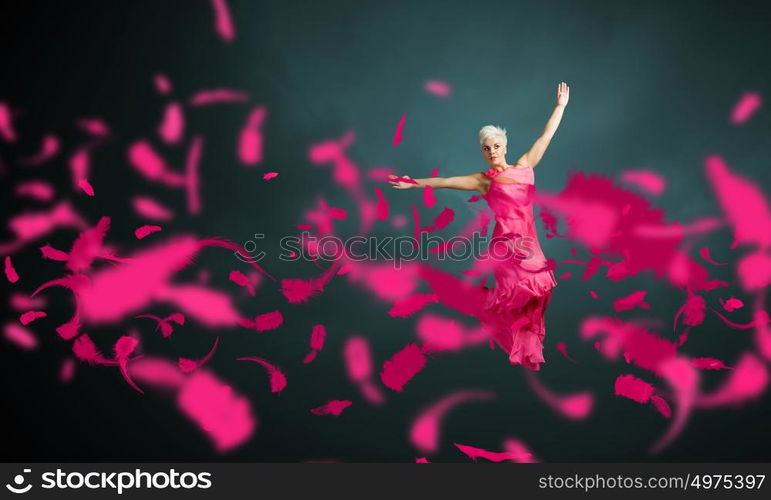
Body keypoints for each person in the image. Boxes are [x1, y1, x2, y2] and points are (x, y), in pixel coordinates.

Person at [388, 82, 569, 370]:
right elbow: (444, 181)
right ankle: (511, 330)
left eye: (496, 146)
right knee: (514, 296)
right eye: (487, 148)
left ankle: (525, 344)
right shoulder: (483, 180)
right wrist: (413, 183)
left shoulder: (524, 167)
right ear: (483, 153)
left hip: (529, 243)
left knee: (539, 290)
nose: (492, 151)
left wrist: (560, 106)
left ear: (505, 147)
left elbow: (546, 136)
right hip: (505, 247)